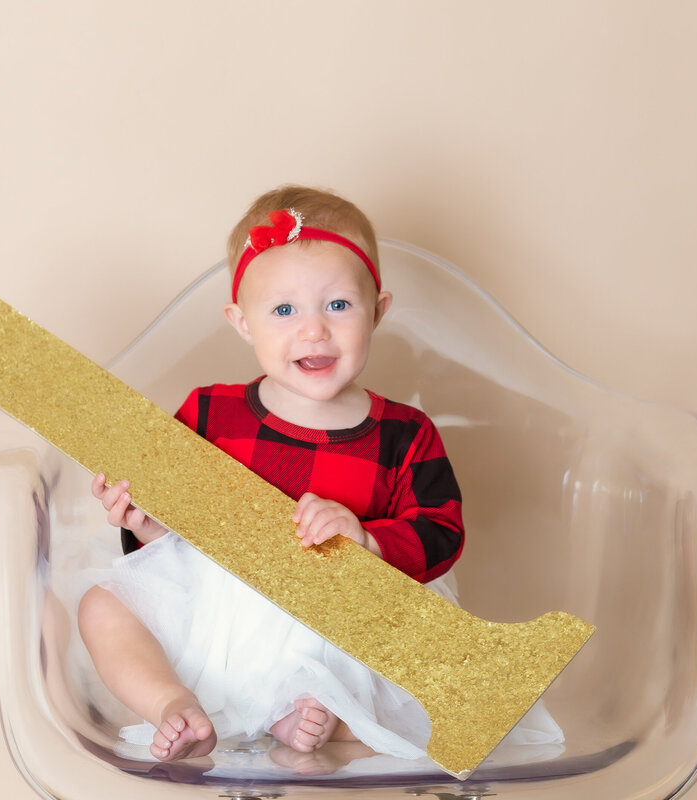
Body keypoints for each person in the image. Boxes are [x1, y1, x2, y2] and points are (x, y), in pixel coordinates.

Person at [76, 185, 467, 765]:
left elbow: (442, 530)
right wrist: (150, 523)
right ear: (241, 321)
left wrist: (368, 540)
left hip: (337, 616)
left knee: (398, 670)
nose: (313, 331)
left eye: (338, 305)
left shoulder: (406, 433)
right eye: (284, 310)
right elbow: (183, 534)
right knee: (101, 607)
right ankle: (174, 704)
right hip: (218, 617)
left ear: (378, 310)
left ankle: (322, 716)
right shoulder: (210, 412)